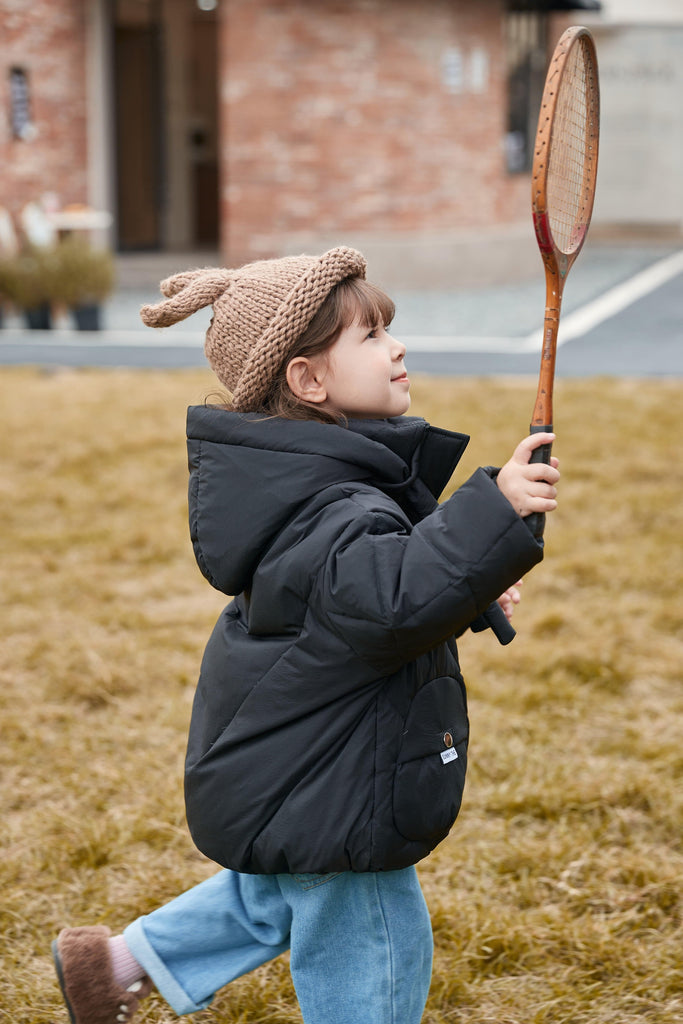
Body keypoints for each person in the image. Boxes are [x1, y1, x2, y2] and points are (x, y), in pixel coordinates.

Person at [52, 247, 559, 1024]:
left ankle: (117, 964)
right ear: (307, 381)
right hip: (336, 773)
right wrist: (491, 512)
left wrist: (469, 592)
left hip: (308, 760)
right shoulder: (333, 506)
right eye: (369, 336)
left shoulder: (319, 485)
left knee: (285, 890)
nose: (395, 347)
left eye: (390, 329)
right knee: (374, 947)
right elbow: (387, 601)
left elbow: (358, 614)